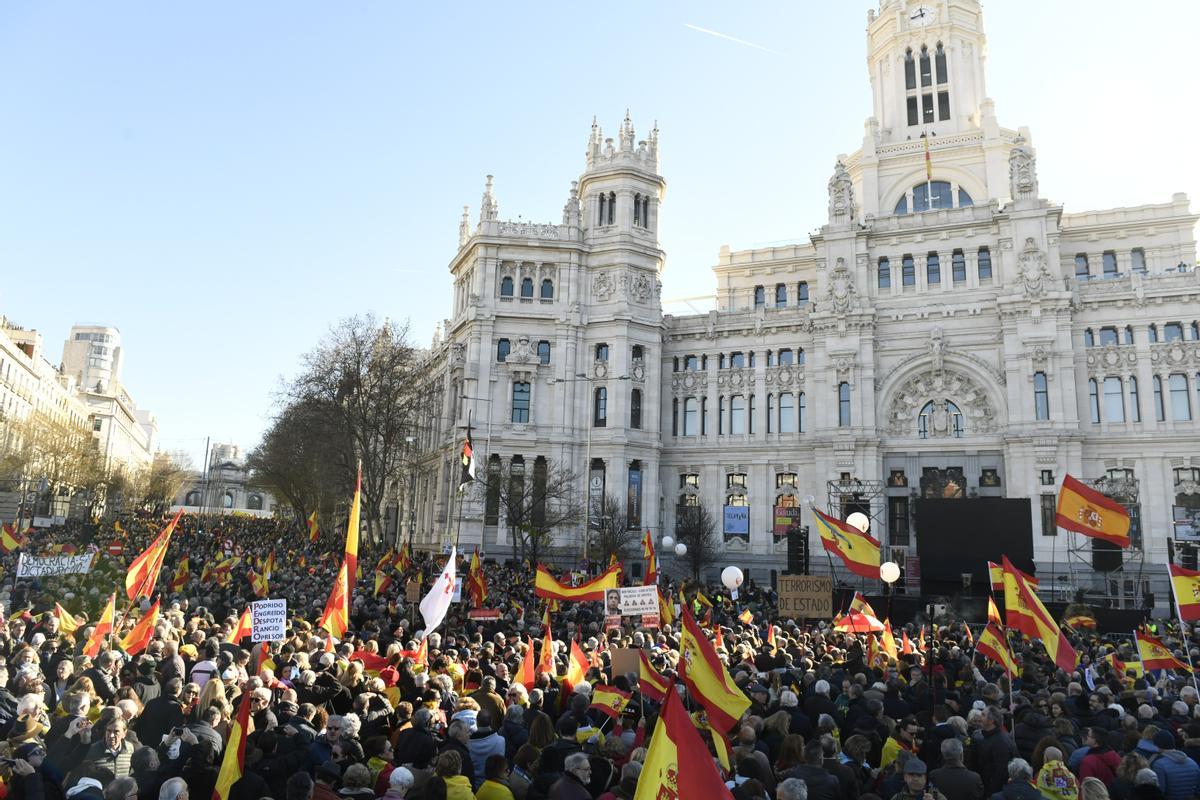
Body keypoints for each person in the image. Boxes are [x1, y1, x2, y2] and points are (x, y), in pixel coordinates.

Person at [1149, 730, 1200, 800]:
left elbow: (1160, 792)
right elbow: (1197, 790)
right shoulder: (1193, 763)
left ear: (1156, 745)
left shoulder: (1159, 765)